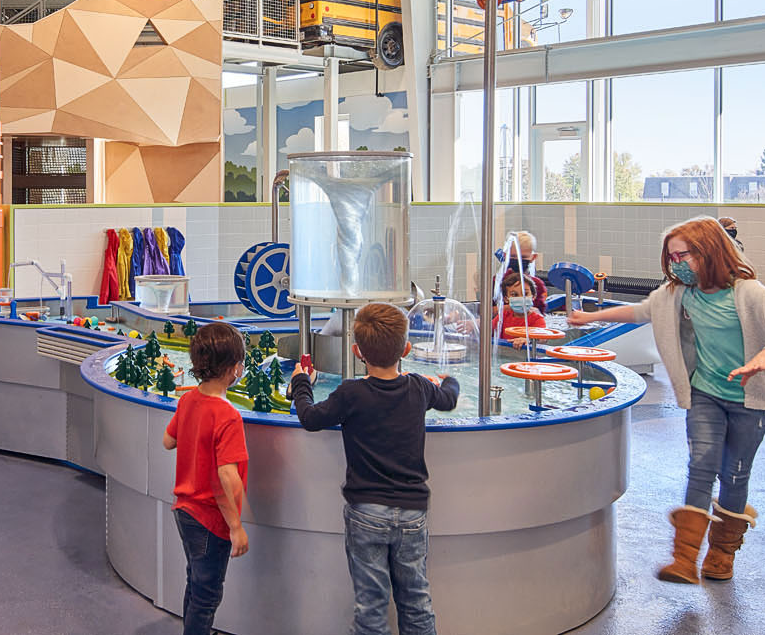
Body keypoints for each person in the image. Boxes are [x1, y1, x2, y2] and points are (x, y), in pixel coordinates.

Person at [569, 217, 765, 585]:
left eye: (683, 255)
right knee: (701, 465)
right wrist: (590, 316)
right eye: (672, 257)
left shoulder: (750, 293)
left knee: (734, 474)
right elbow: (639, 311)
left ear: (709, 252)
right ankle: (683, 559)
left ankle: (721, 554)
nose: (677, 263)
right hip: (704, 394)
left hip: (752, 401)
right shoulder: (677, 294)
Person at [290, 303, 460, 635]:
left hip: (366, 512)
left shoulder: (350, 394)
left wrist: (301, 384)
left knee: (371, 605)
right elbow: (448, 399)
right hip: (412, 512)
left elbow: (310, 418)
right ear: (407, 349)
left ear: (356, 352)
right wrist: (450, 379)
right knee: (416, 601)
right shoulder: (420, 388)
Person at [160, 322, 250, 635]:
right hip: (211, 519)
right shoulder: (228, 416)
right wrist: (237, 527)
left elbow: (167, 441)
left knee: (196, 583)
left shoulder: (188, 401)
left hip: (184, 510)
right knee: (208, 595)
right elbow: (228, 476)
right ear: (234, 369)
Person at [494, 268, 549, 347]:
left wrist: (529, 339)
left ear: (533, 296)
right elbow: (488, 329)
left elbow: (543, 337)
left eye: (525, 294)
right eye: (514, 295)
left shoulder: (536, 319)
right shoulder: (504, 315)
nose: (521, 298)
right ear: (506, 299)